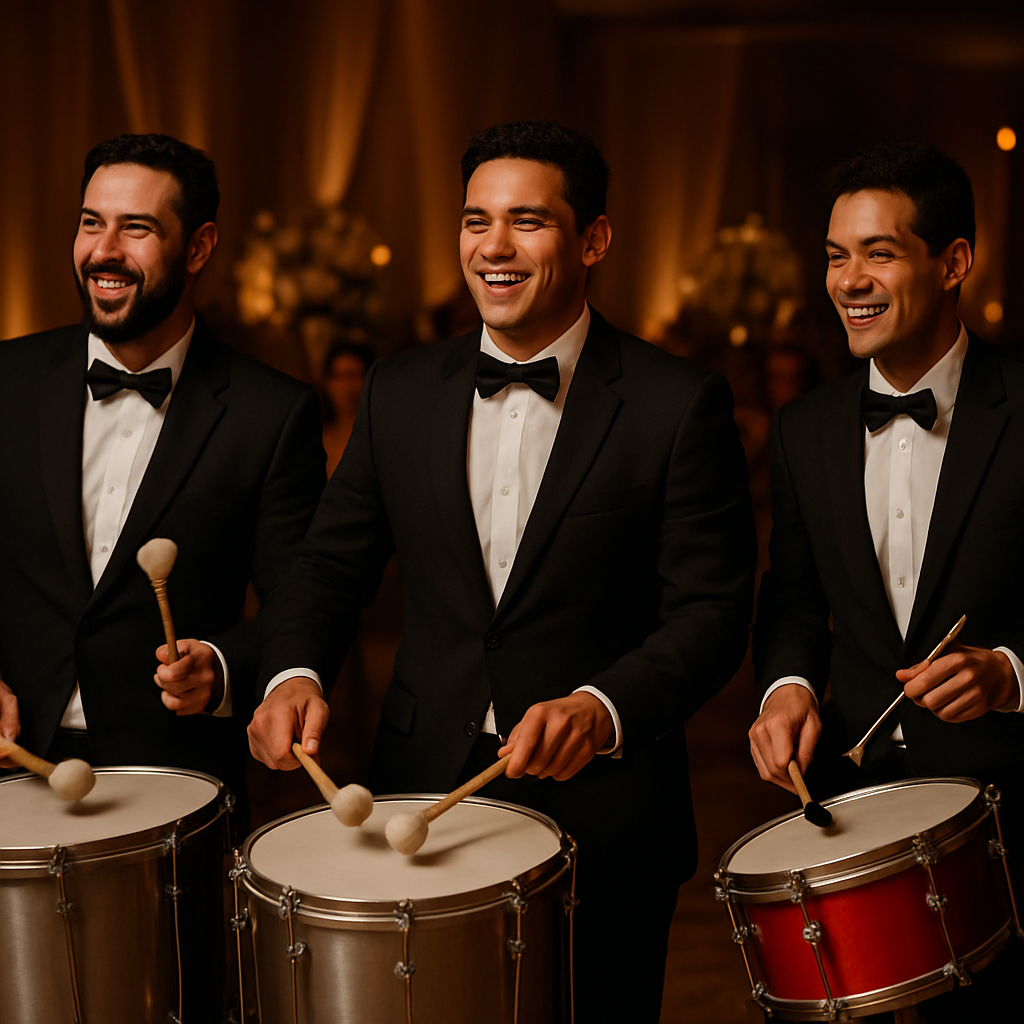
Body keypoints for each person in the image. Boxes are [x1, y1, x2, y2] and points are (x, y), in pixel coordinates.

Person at [248, 120, 755, 1021]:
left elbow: (712, 612)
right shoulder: (397, 391)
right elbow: (328, 563)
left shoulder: (678, 404)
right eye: (476, 220)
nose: (495, 246)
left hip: (606, 813)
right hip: (423, 795)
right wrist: (293, 670)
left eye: (528, 221)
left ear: (593, 239)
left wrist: (603, 709)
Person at [749, 140, 1024, 1021]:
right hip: (850, 814)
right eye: (836, 255)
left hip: (1009, 824)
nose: (849, 280)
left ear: (954, 264)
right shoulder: (805, 429)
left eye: (879, 252)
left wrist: (1011, 673)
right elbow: (792, 598)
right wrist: (786, 687)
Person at [0, 133, 325, 815]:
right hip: (10, 761)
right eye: (92, 222)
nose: (104, 251)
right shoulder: (8, 380)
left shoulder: (273, 413)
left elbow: (304, 602)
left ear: (200, 247)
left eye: (136, 228)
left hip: (175, 784)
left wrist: (225, 667)